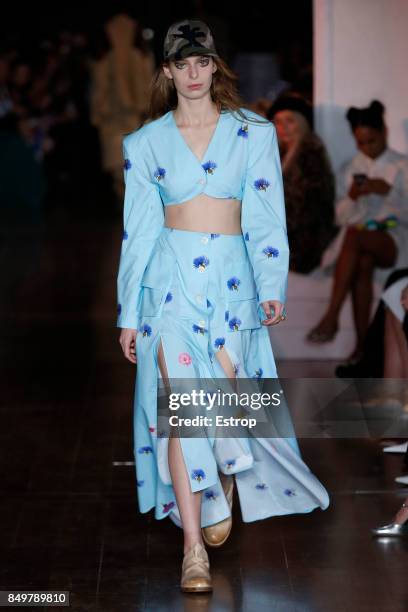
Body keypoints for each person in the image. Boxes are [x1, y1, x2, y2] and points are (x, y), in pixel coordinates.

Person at [116, 18, 330, 593]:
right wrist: (127, 313)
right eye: (180, 64)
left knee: (221, 407)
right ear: (167, 70)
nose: (192, 73)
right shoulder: (144, 144)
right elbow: (137, 232)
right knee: (184, 414)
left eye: (201, 62)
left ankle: (223, 482)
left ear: (215, 67)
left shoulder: (251, 133)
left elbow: (265, 217)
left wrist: (271, 286)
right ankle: (191, 550)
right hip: (167, 287)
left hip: (232, 287)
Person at [307, 100, 408, 366]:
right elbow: (340, 218)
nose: (366, 148)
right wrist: (352, 198)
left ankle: (331, 316)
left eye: (372, 141)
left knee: (355, 236)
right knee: (360, 258)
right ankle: (362, 349)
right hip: (360, 243)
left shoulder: (402, 165)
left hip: (394, 239)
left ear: (384, 132)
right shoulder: (349, 169)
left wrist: (388, 192)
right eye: (360, 142)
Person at [266, 94, 338, 274]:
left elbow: (306, 206)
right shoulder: (279, 154)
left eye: (289, 121)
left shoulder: (310, 152)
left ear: (302, 122)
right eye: (278, 122)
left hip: (304, 238)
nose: (283, 128)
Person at [90, 12, 155, 203]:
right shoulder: (133, 57)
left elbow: (99, 92)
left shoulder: (111, 59)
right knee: (124, 168)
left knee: (126, 168)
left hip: (126, 119)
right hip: (121, 119)